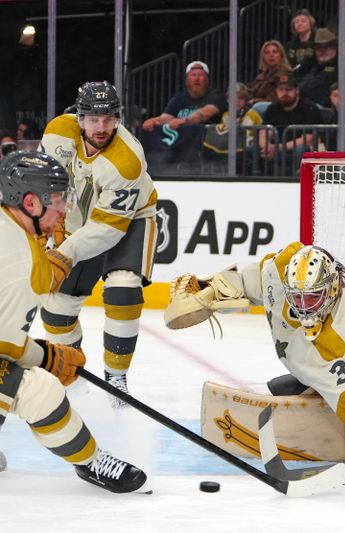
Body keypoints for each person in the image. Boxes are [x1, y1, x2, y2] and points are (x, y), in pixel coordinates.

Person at [163, 242, 345, 485]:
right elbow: (248, 278)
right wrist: (207, 288)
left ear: (331, 289)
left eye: (312, 298)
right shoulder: (282, 270)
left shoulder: (341, 338)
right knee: (285, 385)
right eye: (296, 297)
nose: (304, 307)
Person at [0, 150, 148, 493]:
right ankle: (92, 461)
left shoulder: (14, 233)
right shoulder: (19, 262)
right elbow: (6, 351)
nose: (64, 210)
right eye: (56, 200)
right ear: (31, 204)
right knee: (38, 389)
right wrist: (46, 359)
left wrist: (44, 354)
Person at [40, 82, 158, 407]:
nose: (101, 127)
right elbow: (47, 190)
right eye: (93, 119)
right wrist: (46, 235)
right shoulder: (57, 135)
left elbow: (108, 230)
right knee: (56, 309)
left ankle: (116, 379)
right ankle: (73, 374)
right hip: (80, 222)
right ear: (79, 118)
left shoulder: (128, 160)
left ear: (118, 118)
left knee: (123, 288)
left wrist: (63, 252)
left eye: (108, 118)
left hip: (130, 220)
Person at [141, 61, 228, 173]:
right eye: (193, 75)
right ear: (187, 79)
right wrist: (153, 121)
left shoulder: (216, 96)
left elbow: (204, 113)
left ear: (207, 79)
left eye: (201, 75)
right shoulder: (179, 98)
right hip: (180, 145)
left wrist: (184, 120)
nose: (196, 79)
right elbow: (166, 117)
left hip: (206, 146)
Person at [258, 73, 322, 175]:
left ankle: (298, 180)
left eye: (289, 89)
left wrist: (277, 147)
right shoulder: (272, 108)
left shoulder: (309, 108)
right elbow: (265, 130)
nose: (285, 93)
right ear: (276, 91)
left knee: (301, 149)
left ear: (297, 90)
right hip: (276, 149)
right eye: (281, 89)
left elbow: (309, 138)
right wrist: (265, 145)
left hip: (294, 149)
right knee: (251, 148)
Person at [296, 28, 345, 109]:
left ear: (335, 48)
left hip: (327, 112)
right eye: (319, 47)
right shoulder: (306, 66)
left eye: (327, 47)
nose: (323, 50)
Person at [246, 40, 292, 113]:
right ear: (263, 57)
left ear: (281, 55)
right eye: (267, 53)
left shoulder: (285, 74)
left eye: (275, 52)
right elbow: (249, 91)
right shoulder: (262, 76)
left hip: (276, 110)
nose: (271, 55)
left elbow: (279, 98)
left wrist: (255, 100)